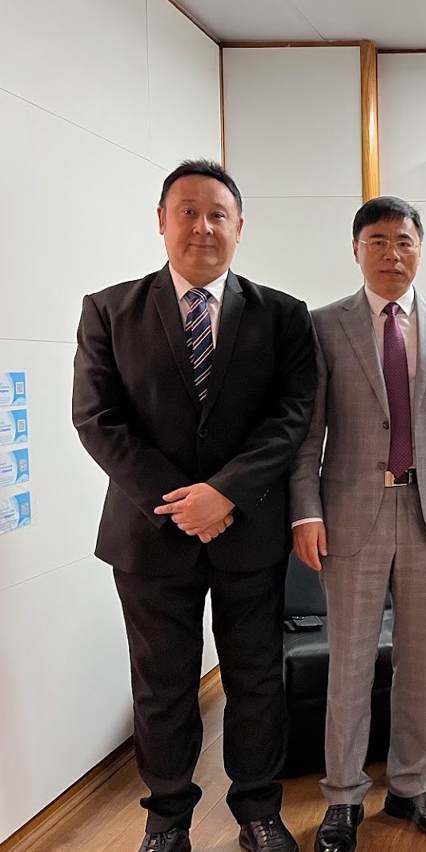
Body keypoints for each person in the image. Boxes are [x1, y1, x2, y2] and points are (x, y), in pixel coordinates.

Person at [72, 159, 316, 852]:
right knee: (162, 686)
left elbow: (292, 416)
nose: (203, 227)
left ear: (240, 227)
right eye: (188, 211)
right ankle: (167, 819)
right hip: (149, 536)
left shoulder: (282, 314)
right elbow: (97, 419)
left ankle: (259, 810)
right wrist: (183, 503)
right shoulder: (109, 310)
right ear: (161, 221)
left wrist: (225, 492)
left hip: (249, 530)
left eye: (218, 214)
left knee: (256, 679)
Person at [289, 196, 426, 848]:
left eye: (403, 241)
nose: (391, 254)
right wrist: (306, 511)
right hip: (351, 515)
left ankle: (411, 785)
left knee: (419, 663)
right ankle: (342, 797)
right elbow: (308, 434)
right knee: (349, 662)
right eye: (377, 241)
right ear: (356, 250)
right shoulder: (324, 325)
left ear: (420, 248)